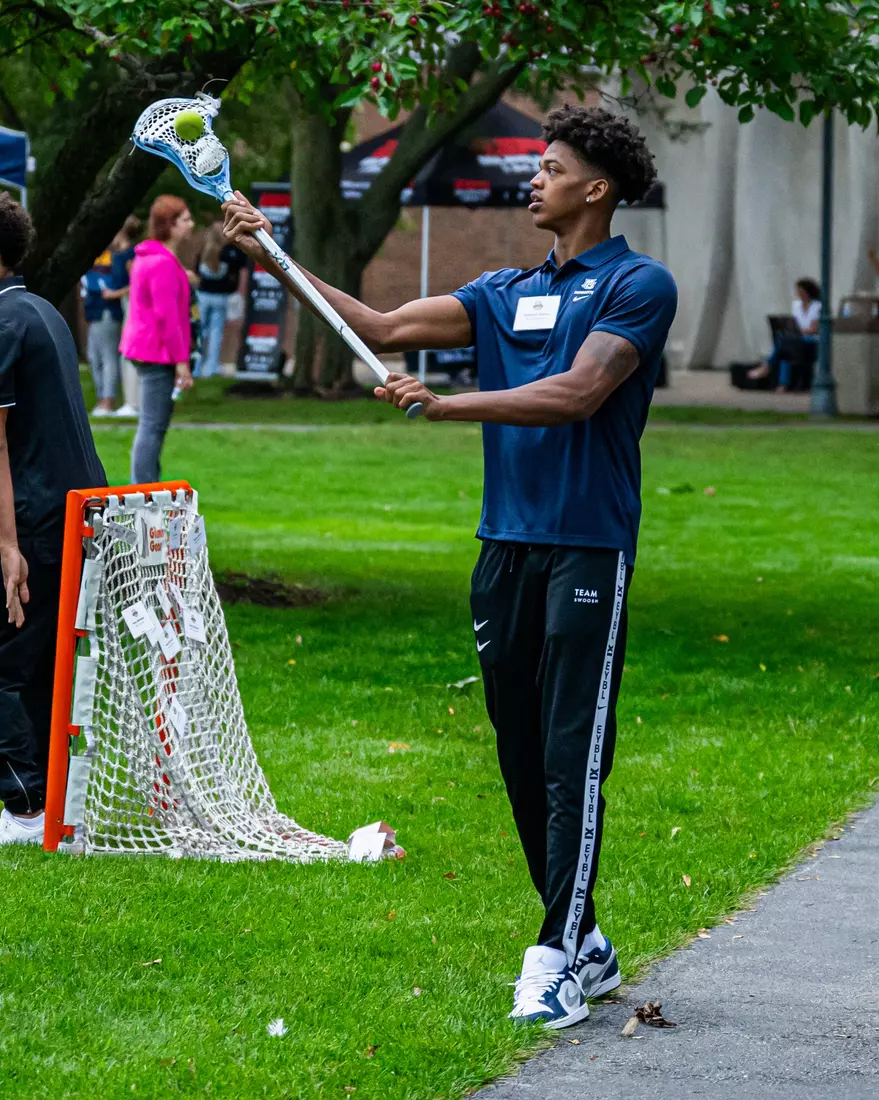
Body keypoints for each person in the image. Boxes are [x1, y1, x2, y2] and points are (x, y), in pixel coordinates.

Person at [224, 105, 677, 1030]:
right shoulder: (503, 290)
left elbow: (578, 394)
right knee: (518, 754)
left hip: (586, 546)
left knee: (568, 757)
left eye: (550, 169)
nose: (534, 180)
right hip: (502, 548)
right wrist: (271, 251)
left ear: (595, 188)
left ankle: (551, 956)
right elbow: (380, 325)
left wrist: (448, 407)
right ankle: (585, 938)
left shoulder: (638, 283)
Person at [0, 192, 106, 845]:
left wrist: (7, 545)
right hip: (77, 512)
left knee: (8, 663)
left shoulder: (7, 322)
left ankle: (23, 807)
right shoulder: (42, 310)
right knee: (36, 664)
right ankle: (45, 803)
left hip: (38, 518)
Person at [120, 195, 194, 483]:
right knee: (152, 426)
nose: (192, 224)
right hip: (156, 353)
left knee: (153, 424)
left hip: (148, 349)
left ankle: (147, 486)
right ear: (170, 226)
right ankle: (144, 491)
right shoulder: (161, 262)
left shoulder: (154, 257)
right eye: (185, 219)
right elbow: (168, 317)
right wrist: (181, 362)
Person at [192, 220, 246, 378]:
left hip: (203, 296)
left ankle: (195, 368)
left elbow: (196, 274)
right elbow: (238, 273)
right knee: (216, 332)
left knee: (200, 332)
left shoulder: (204, 251)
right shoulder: (231, 251)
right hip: (222, 297)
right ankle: (211, 368)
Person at [746, 278, 821, 392]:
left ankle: (766, 367)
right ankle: (782, 384)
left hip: (812, 341)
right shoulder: (796, 305)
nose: (799, 294)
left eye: (801, 291)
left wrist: (799, 331)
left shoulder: (817, 306)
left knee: (784, 344)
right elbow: (795, 324)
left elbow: (814, 329)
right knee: (785, 352)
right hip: (797, 339)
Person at [105, 214, 143, 418]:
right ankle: (130, 400)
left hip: (130, 305)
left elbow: (135, 284)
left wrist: (114, 294)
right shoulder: (119, 253)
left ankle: (132, 402)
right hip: (123, 304)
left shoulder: (129, 255)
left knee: (129, 352)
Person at [80, 248, 122, 416]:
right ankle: (101, 401)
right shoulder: (95, 258)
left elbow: (119, 282)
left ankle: (108, 402)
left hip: (107, 312)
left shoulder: (111, 258)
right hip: (94, 313)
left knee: (108, 357)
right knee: (94, 357)